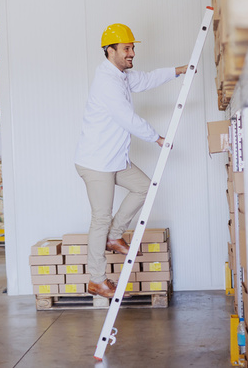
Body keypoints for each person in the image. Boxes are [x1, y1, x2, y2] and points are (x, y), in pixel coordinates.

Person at [74, 23, 188, 298]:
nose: (132, 52)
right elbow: (127, 118)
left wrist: (178, 71)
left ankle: (115, 236)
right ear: (110, 50)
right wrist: (157, 138)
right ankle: (97, 279)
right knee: (100, 217)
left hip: (114, 158)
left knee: (144, 187)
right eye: (126, 48)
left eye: (133, 47)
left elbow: (147, 79)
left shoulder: (122, 76)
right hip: (96, 162)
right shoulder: (107, 82)